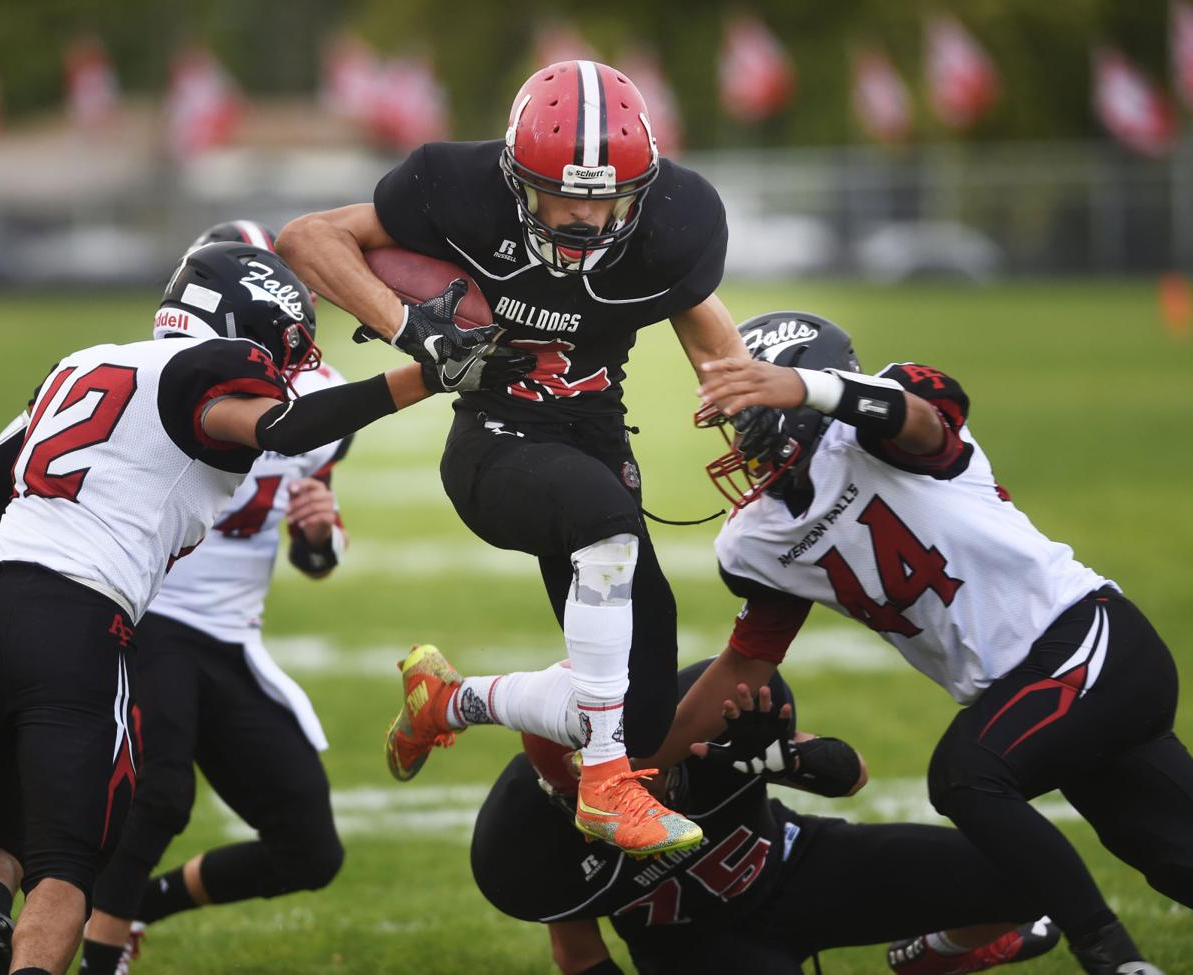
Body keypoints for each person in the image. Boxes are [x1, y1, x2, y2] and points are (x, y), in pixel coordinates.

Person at [0, 241, 527, 975]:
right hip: (80, 617)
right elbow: (283, 428)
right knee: (67, 864)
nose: (287, 365)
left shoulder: (82, 362)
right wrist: (426, 375)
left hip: (4, 590)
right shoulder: (203, 369)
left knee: (7, 827)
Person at [276, 59, 746, 855]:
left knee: (641, 712)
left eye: (606, 200)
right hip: (493, 447)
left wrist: (753, 420)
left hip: (593, 444)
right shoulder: (456, 190)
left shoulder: (674, 224)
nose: (583, 219)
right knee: (605, 526)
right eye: (564, 194)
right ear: (514, 178)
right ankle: (605, 789)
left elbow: (705, 328)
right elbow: (306, 238)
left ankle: (450, 701)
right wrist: (412, 331)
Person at [664, 309, 1191, 975]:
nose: (746, 438)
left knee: (967, 775)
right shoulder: (760, 537)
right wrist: (635, 763)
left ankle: (1111, 958)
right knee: (1177, 854)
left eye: (755, 405)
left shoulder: (879, 425)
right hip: (1034, 695)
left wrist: (806, 389)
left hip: (1089, 637)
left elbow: (918, 419)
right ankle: (946, 952)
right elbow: (747, 661)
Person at [75, 222, 350, 975]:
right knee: (158, 792)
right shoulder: (156, 377)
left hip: (230, 637)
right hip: (147, 612)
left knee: (310, 846)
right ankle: (100, 954)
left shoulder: (316, 404)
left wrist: (320, 536)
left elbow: (314, 542)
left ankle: (136, 906)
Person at [470, 659, 1059, 975]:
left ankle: (938, 956)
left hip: (795, 863)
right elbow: (579, 955)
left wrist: (783, 754)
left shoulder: (699, 718)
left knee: (1022, 874)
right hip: (692, 949)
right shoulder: (528, 836)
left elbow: (852, 774)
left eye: (636, 779)